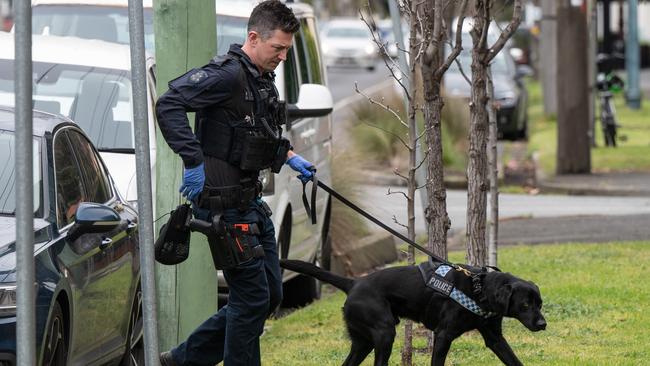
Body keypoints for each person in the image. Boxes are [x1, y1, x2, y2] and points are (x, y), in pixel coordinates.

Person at [155, 1, 314, 365]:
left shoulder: (261, 81)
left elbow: (255, 135)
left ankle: (182, 360)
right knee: (251, 299)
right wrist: (192, 160)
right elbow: (169, 104)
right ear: (254, 38)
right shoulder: (225, 75)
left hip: (249, 205)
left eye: (287, 50)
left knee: (270, 295)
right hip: (224, 210)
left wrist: (289, 157)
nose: (283, 57)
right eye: (278, 49)